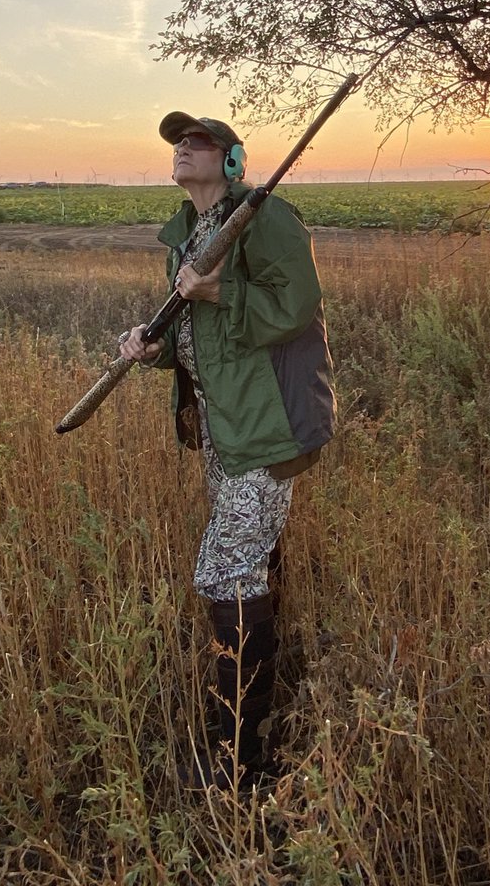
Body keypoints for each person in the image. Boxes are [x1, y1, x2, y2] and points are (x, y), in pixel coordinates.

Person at [119, 111, 335, 789]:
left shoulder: (265, 218)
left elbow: (297, 304)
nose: (183, 148)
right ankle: (267, 695)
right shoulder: (187, 234)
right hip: (221, 426)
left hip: (267, 423)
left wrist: (221, 289)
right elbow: (196, 332)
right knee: (252, 558)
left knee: (226, 573)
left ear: (232, 158)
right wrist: (152, 346)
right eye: (178, 142)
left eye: (199, 140)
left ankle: (241, 762)